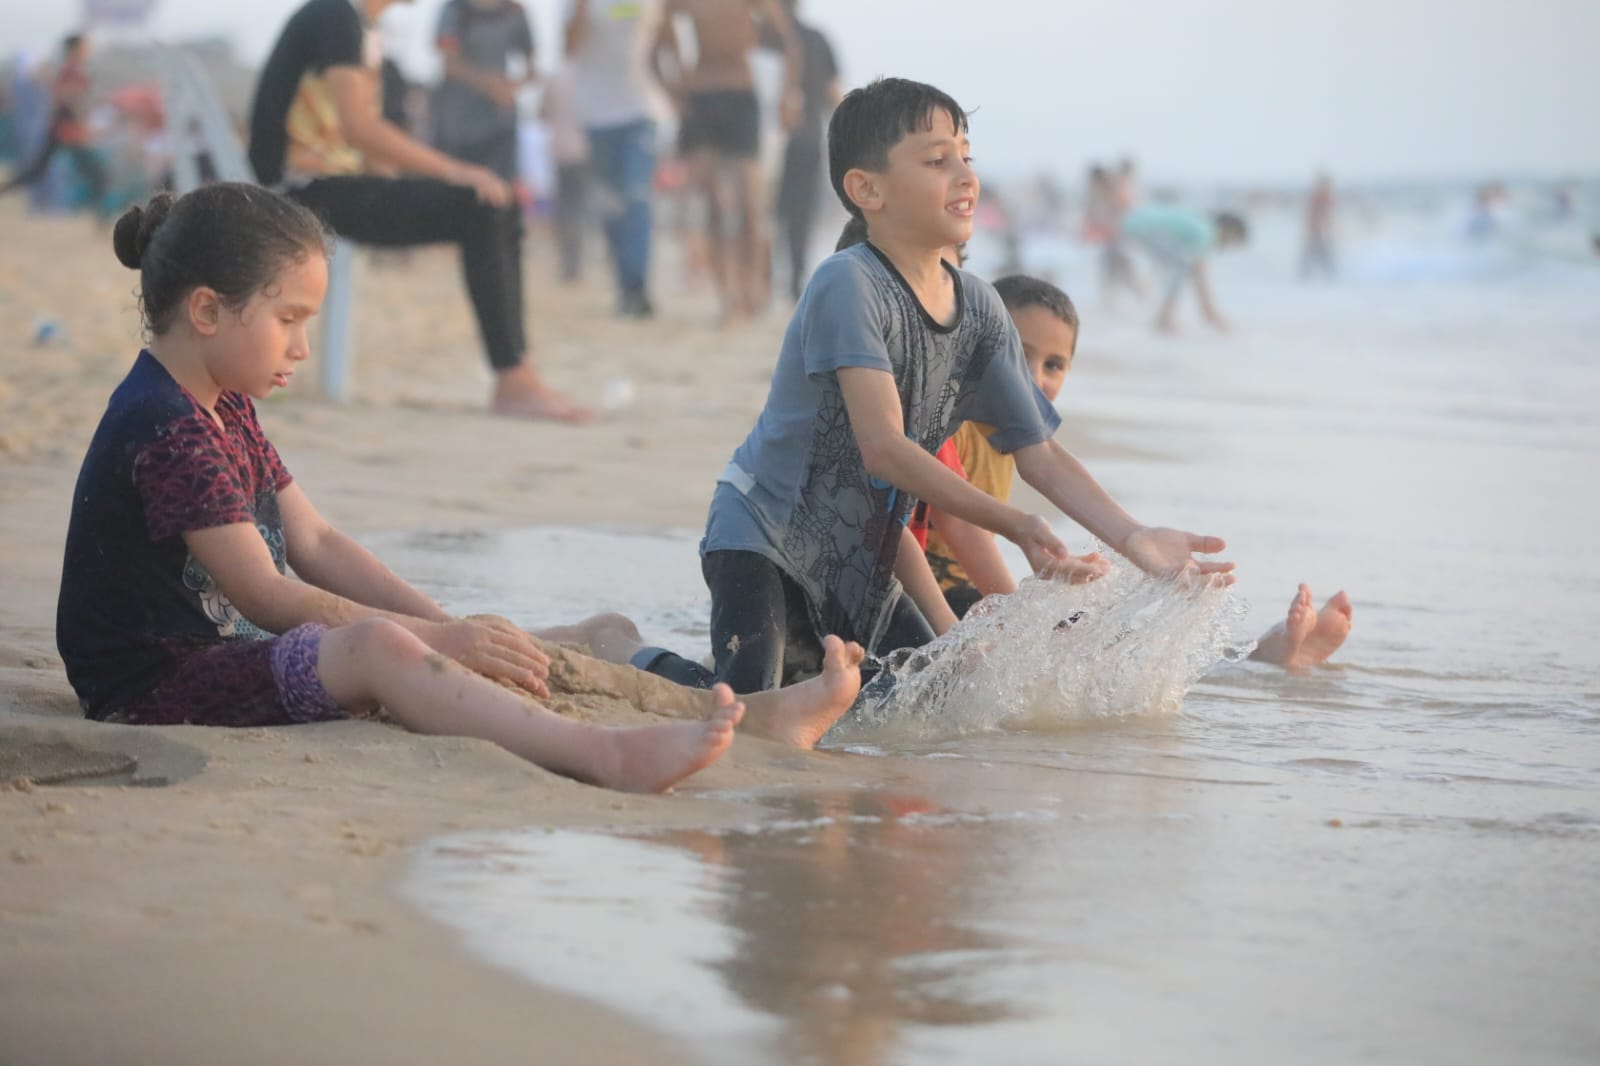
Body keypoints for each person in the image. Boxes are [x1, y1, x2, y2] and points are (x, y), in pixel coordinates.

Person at [54, 186, 877, 794]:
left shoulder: (223, 402)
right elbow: (267, 594)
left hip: (227, 652)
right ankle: (602, 754)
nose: (302, 347)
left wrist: (456, 630)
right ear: (206, 310)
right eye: (289, 319)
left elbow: (317, 542)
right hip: (160, 685)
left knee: (575, 635)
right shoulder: (166, 428)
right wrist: (435, 642)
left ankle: (749, 712)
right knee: (381, 648)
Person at [637, 77, 1233, 699]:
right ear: (867, 190)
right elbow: (884, 450)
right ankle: (625, 648)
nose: (965, 175)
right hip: (762, 532)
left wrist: (1133, 536)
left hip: (860, 555)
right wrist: (1018, 524)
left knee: (929, 696)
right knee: (746, 700)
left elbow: (1041, 453)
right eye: (936, 160)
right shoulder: (849, 283)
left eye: (966, 157)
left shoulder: (980, 308)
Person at [909, 274, 1355, 667]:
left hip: (970, 594)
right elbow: (961, 526)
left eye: (1053, 365)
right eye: (1018, 356)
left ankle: (1251, 657)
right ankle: (1258, 661)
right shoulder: (955, 423)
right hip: (937, 596)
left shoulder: (1015, 436)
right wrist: (1016, 607)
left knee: (1105, 635)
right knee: (1075, 646)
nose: (1034, 377)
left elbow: (1044, 477)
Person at [247, 0, 589, 421]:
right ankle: (513, 379)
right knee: (480, 206)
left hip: (330, 186)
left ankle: (519, 373)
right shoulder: (337, 16)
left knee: (498, 202)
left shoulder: (360, 25)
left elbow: (356, 139)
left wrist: (415, 185)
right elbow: (358, 127)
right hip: (298, 194)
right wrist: (453, 171)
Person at [653, 0, 801, 323]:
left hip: (740, 94)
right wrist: (672, 88)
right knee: (714, 203)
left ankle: (751, 288)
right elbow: (659, 43)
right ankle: (727, 296)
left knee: (749, 203)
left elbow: (787, 41)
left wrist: (788, 96)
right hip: (701, 96)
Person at [563, 0, 666, 319]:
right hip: (598, 115)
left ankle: (637, 286)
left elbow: (663, 38)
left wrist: (674, 87)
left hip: (641, 109)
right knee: (610, 205)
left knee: (636, 196)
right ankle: (624, 285)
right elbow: (569, 48)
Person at [764, 0, 840, 302]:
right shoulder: (815, 39)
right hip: (806, 136)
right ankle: (794, 281)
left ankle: (766, 281)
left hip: (767, 139)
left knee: (767, 213)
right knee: (800, 216)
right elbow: (832, 94)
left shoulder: (760, 36)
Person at [0, 34, 107, 214]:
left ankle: (98, 214)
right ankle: (101, 215)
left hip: (65, 130)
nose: (88, 50)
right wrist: (80, 113)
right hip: (67, 130)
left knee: (37, 171)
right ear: (76, 49)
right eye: (85, 47)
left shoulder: (73, 69)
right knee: (97, 174)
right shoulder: (71, 69)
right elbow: (62, 96)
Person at [432, 0, 536, 185]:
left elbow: (532, 69)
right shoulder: (455, 10)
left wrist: (511, 87)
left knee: (500, 188)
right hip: (458, 122)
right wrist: (488, 84)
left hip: (499, 122)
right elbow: (448, 63)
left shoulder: (514, 12)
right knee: (456, 188)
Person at [1120, 203, 1247, 333]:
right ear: (1230, 230)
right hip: (1135, 229)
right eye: (1233, 242)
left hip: (1130, 223)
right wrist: (1211, 314)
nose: (1228, 248)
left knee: (1178, 266)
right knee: (1182, 267)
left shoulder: (1200, 223)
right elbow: (1200, 279)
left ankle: (1156, 312)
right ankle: (1163, 318)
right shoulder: (1206, 233)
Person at [540, 65, 590, 283]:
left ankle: (570, 264)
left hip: (561, 152)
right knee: (582, 209)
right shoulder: (590, 76)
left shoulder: (555, 78)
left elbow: (542, 114)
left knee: (566, 211)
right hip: (588, 152)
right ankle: (577, 263)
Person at [1301, 171, 1337, 279]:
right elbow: (1313, 214)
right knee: (1317, 253)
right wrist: (1317, 227)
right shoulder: (1318, 197)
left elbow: (1327, 214)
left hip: (1320, 230)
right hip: (1317, 231)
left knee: (1320, 253)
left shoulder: (1325, 197)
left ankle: (1328, 272)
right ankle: (1307, 273)